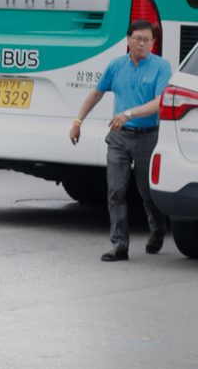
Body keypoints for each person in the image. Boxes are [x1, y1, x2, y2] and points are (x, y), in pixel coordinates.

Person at [70, 19, 172, 262]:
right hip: (118, 137)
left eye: (147, 40)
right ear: (128, 40)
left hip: (147, 136)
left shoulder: (161, 67)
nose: (142, 44)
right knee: (115, 190)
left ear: (153, 43)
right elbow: (96, 93)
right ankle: (119, 245)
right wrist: (77, 122)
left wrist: (129, 114)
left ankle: (157, 230)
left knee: (147, 193)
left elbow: (159, 102)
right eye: (137, 38)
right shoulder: (116, 66)